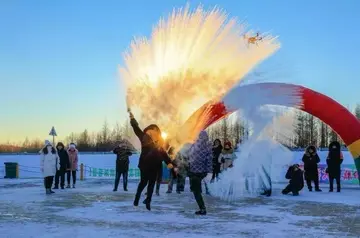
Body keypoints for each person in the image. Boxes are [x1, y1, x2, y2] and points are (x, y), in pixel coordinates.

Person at [129, 112, 176, 211]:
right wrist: (132, 119)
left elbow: (163, 153)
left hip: (155, 165)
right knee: (143, 182)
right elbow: (136, 128)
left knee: (151, 183)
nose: (152, 132)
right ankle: (137, 197)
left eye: (155, 131)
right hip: (145, 164)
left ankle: (148, 201)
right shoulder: (144, 137)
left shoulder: (159, 142)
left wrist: (169, 162)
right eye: (151, 130)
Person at [188, 131, 213, 215]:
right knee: (196, 189)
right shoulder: (208, 146)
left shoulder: (194, 144)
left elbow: (188, 155)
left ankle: (202, 209)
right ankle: (202, 207)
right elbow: (209, 161)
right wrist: (209, 171)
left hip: (194, 170)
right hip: (202, 171)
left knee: (196, 191)